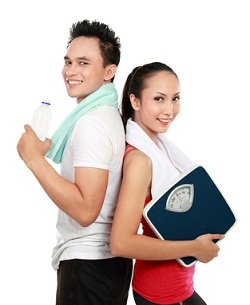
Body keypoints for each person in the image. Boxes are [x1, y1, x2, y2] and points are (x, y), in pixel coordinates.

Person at [16, 19, 132, 305]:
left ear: (109, 72)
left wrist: (34, 160)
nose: (70, 71)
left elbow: (85, 210)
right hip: (106, 264)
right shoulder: (106, 115)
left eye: (83, 63)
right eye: (68, 62)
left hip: (88, 264)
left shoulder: (92, 123)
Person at [110, 62, 224, 305]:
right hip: (159, 293)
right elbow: (121, 242)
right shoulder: (140, 161)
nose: (169, 109)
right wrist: (193, 248)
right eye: (159, 99)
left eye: (175, 98)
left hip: (181, 288)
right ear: (136, 101)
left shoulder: (160, 148)